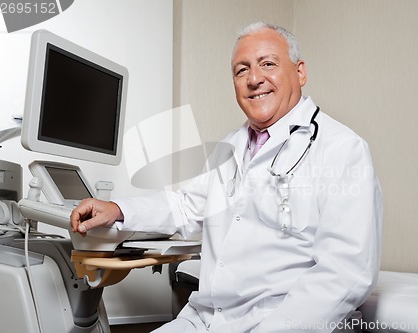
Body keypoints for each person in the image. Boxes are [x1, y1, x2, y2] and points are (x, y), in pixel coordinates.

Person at [71, 21, 383, 333]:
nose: (254, 79)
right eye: (241, 70)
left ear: (300, 72)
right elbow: (185, 207)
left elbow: (345, 273)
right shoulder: (230, 146)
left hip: (277, 322)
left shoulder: (341, 148)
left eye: (268, 64)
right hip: (205, 317)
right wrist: (119, 210)